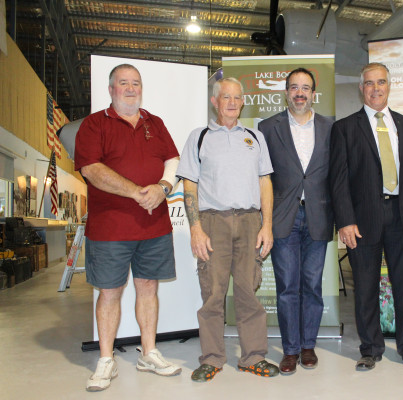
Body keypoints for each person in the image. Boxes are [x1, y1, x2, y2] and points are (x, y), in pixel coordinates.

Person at [75, 64, 182, 392]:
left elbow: (173, 159)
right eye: (124, 83)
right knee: (110, 292)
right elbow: (91, 169)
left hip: (154, 225)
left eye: (136, 83)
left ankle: (148, 353)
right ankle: (106, 359)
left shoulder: (155, 123)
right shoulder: (95, 124)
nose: (131, 88)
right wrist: (137, 192)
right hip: (110, 228)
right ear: (111, 89)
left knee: (148, 287)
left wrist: (163, 187)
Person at [329, 63, 403, 371]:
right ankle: (370, 348)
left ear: (389, 86)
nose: (376, 88)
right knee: (365, 287)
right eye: (370, 83)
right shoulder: (345, 128)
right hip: (362, 220)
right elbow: (338, 180)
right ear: (361, 88)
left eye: (381, 82)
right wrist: (345, 221)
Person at [177, 77, 279, 382]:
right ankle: (211, 358)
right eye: (226, 97)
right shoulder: (199, 137)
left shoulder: (255, 138)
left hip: (249, 222)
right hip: (212, 223)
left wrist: (267, 225)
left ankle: (253, 357)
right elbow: (189, 185)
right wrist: (196, 229)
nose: (232, 103)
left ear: (243, 101)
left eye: (236, 97)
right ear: (215, 101)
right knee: (212, 293)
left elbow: (265, 182)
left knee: (248, 293)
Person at [258, 68, 334, 375]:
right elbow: (261, 177)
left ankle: (308, 346)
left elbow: (338, 175)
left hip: (319, 214)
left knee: (312, 286)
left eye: (305, 88)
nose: (299, 93)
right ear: (286, 92)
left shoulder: (331, 127)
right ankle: (290, 350)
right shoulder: (267, 127)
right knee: (287, 286)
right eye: (294, 87)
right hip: (282, 217)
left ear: (313, 93)